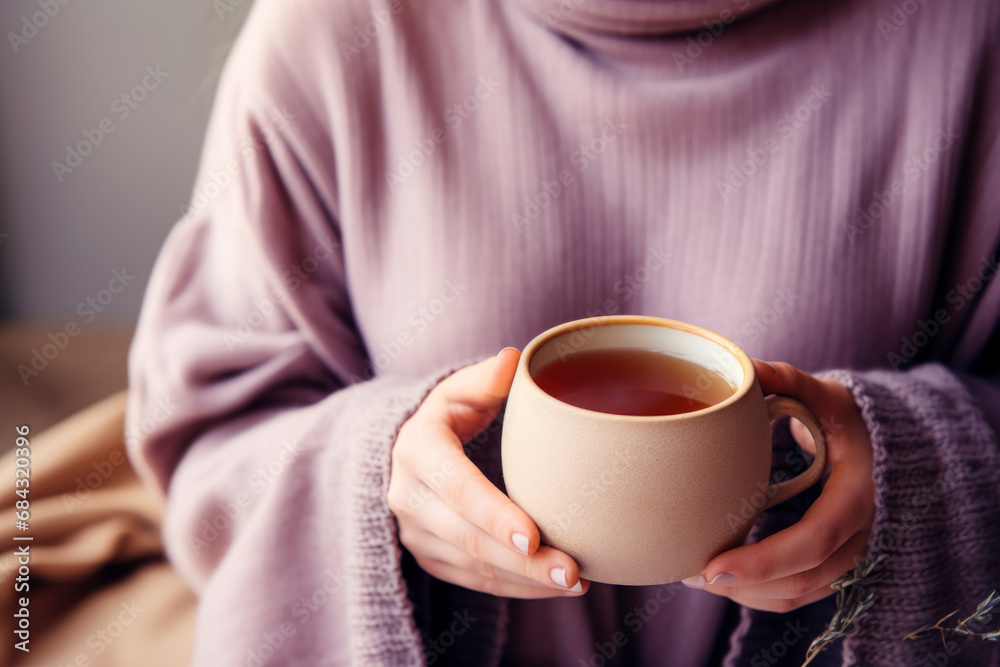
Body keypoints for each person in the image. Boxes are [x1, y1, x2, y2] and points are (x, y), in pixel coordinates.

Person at [126, 0, 1000, 664]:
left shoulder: (972, 40)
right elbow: (213, 448)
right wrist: (378, 482)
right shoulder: (336, 32)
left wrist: (922, 471)